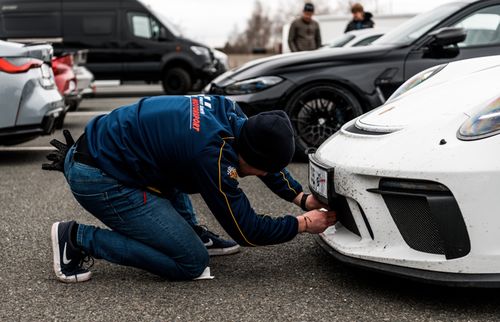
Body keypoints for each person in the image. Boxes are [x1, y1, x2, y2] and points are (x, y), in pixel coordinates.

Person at [43, 95, 337, 282]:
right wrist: (303, 224)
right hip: (101, 177)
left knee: (180, 168)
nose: (262, 175)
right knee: (191, 262)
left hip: (111, 153)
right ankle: (76, 238)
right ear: (254, 157)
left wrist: (300, 197)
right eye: (263, 169)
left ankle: (191, 232)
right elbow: (247, 231)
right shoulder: (213, 156)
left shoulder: (231, 113)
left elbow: (266, 160)